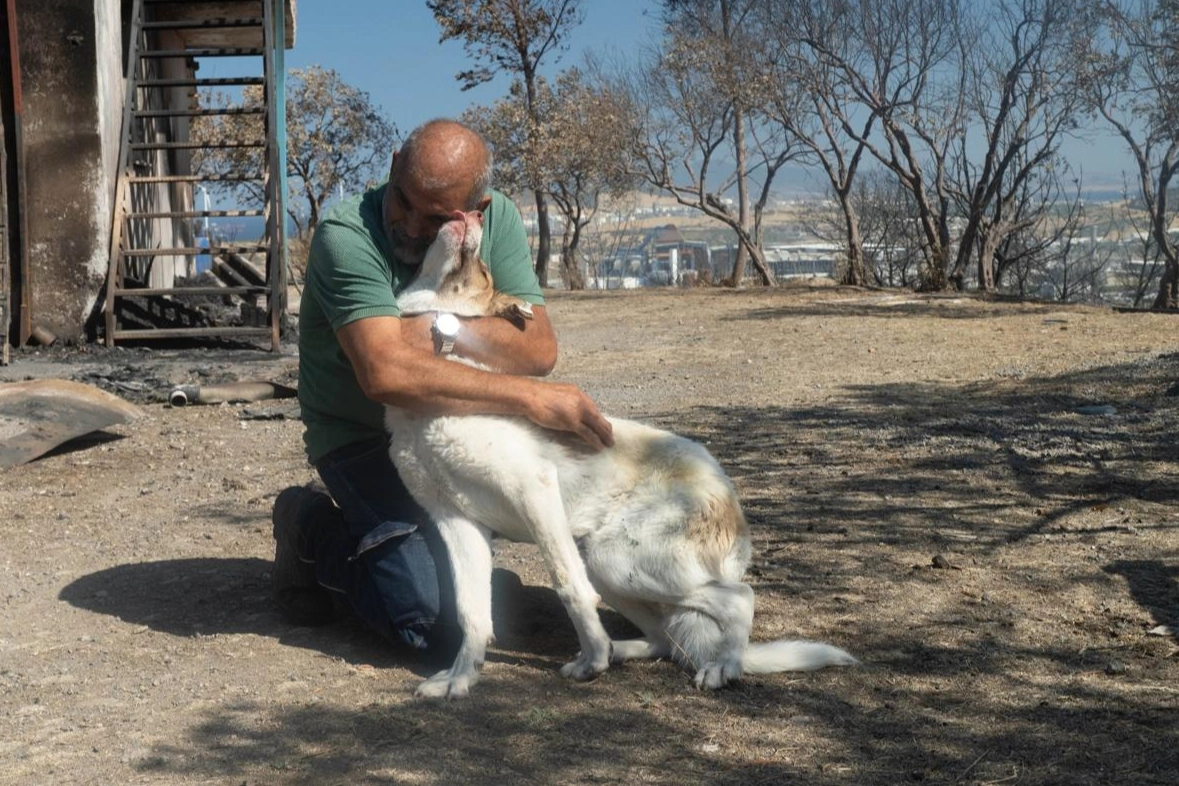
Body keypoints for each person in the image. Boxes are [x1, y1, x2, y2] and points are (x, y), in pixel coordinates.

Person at [271, 118, 613, 661]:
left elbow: (538, 347)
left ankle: (422, 558)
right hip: (361, 437)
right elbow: (386, 375)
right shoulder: (346, 234)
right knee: (431, 625)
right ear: (392, 168)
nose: (407, 223)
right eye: (404, 200)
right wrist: (528, 397)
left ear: (472, 212)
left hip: (447, 427)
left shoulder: (495, 221)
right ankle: (309, 529)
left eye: (434, 218)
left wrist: (436, 329)